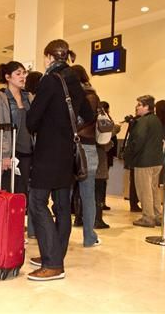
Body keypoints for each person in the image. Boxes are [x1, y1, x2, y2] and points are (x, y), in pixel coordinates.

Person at [26, 39, 93, 281]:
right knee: (62, 206)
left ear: (49, 56)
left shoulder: (50, 80)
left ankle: (53, 264)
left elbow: (32, 120)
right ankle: (56, 253)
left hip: (47, 153)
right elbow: (89, 114)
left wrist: (48, 124)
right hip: (67, 154)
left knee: (37, 202)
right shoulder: (74, 79)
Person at [0, 61, 34, 237]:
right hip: (10, 153)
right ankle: (3, 229)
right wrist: (4, 155)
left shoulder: (28, 97)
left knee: (23, 194)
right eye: (18, 73)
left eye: (24, 73)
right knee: (6, 192)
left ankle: (18, 228)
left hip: (28, 152)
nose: (23, 77)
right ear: (7, 77)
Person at [70, 65, 104, 237]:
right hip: (89, 147)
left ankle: (69, 236)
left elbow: (82, 120)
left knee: (68, 192)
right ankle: (89, 236)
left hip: (75, 146)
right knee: (87, 193)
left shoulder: (77, 97)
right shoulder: (93, 96)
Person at [123, 95, 164, 228]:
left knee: (144, 190)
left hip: (144, 161)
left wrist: (129, 155)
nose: (137, 107)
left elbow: (138, 140)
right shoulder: (156, 120)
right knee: (154, 190)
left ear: (147, 107)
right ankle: (158, 216)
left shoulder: (142, 121)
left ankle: (147, 217)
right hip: (157, 161)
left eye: (139, 105)